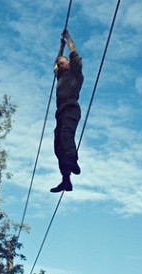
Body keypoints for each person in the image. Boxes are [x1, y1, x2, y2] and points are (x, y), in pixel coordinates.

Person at [50, 28, 84, 193]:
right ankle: (66, 180)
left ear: (70, 64)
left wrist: (68, 39)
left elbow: (74, 52)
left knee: (66, 135)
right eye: (59, 64)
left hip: (71, 107)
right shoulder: (61, 76)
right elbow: (56, 61)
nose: (60, 65)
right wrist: (60, 47)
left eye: (63, 62)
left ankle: (73, 160)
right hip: (60, 112)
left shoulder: (75, 72)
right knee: (58, 145)